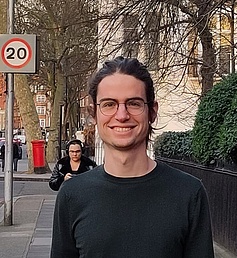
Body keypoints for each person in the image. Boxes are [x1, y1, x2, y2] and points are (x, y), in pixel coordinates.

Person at [51, 57, 214, 257]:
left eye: (134, 104)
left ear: (152, 112)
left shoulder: (189, 193)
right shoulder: (72, 195)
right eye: (109, 104)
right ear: (94, 114)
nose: (121, 115)